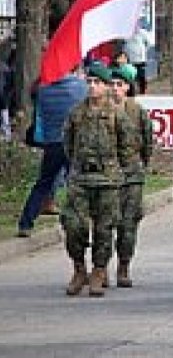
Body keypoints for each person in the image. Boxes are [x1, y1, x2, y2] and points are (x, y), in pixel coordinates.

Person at [60, 63, 134, 296]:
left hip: (107, 180)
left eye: (97, 82)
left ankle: (99, 271)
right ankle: (79, 268)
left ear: (105, 86)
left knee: (104, 229)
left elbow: (127, 146)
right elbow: (68, 144)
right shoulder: (76, 113)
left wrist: (118, 172)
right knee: (73, 225)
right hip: (81, 179)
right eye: (89, 82)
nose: (92, 87)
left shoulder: (116, 114)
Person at [17, 67, 88, 237]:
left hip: (52, 142)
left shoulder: (44, 90)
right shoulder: (79, 87)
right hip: (73, 141)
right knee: (76, 182)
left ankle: (26, 222)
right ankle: (77, 221)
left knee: (44, 182)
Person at [109, 64, 153, 288]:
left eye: (119, 84)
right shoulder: (100, 110)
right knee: (104, 224)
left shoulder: (137, 111)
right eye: (111, 84)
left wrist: (140, 165)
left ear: (127, 87)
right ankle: (100, 267)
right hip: (106, 176)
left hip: (132, 175)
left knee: (128, 225)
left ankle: (124, 265)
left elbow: (147, 142)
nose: (115, 89)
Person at [123, 25, 151, 94]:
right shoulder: (126, 33)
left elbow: (149, 43)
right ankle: (130, 91)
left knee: (141, 75)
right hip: (129, 58)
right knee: (130, 75)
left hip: (140, 59)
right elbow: (124, 43)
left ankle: (143, 90)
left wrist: (143, 51)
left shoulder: (142, 32)